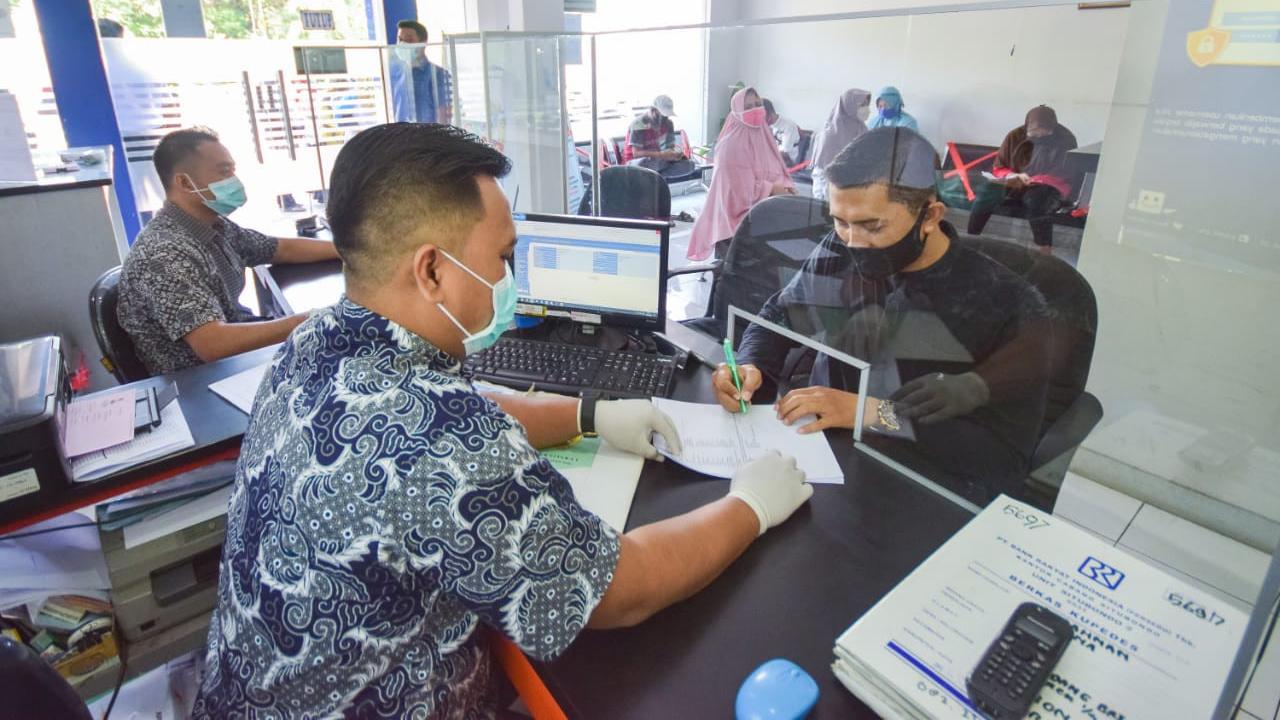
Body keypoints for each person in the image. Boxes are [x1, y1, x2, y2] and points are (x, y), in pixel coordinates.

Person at [191, 123, 814, 719]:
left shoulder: (315, 340)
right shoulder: (441, 431)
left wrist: (587, 414)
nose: (510, 280)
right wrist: (750, 505)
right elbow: (621, 590)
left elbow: (471, 402)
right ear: (432, 270)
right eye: (504, 257)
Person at [710, 127, 1052, 504]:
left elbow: (999, 452)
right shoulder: (839, 249)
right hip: (815, 454)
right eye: (840, 220)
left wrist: (874, 412)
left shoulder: (1005, 304)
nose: (852, 242)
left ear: (930, 216)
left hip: (915, 486)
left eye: (872, 226)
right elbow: (780, 313)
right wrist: (751, 364)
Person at [116, 127, 339, 376]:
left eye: (233, 171)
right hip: (203, 379)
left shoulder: (213, 224)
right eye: (224, 172)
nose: (234, 181)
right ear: (184, 182)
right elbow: (213, 345)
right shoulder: (164, 253)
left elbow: (278, 248)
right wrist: (310, 320)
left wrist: (348, 250)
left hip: (234, 358)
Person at [688, 87, 796, 261]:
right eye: (748, 107)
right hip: (735, 229)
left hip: (763, 219)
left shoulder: (763, 135)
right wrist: (773, 189)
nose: (755, 109)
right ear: (737, 112)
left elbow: (775, 169)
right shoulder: (730, 145)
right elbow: (737, 192)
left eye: (757, 104)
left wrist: (786, 187)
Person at [967, 105, 1078, 252]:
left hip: (1048, 184)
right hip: (1014, 180)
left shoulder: (1065, 139)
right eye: (1034, 133)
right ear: (1027, 127)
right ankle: (971, 240)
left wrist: (1035, 180)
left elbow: (1066, 172)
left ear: (1053, 128)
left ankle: (1044, 248)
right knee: (986, 192)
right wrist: (1013, 176)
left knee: (1037, 201)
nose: (1039, 136)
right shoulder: (1015, 136)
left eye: (1044, 133)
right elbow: (999, 166)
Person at [809, 88, 871, 201]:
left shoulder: (862, 128)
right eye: (862, 105)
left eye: (867, 104)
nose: (866, 109)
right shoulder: (831, 134)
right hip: (830, 187)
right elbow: (823, 172)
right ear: (850, 106)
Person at [389, 20, 453, 125]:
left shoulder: (438, 74)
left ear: (423, 42)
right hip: (401, 137)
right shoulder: (397, 75)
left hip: (428, 137)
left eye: (409, 40)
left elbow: (444, 115)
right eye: (400, 40)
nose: (403, 44)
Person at [625, 95, 695, 180]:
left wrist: (678, 154)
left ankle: (656, 177)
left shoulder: (668, 123)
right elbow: (636, 154)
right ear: (653, 110)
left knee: (690, 165)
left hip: (659, 162)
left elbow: (670, 147)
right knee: (645, 163)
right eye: (663, 115)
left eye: (667, 116)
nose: (665, 118)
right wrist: (661, 155)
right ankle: (657, 176)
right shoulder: (638, 123)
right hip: (638, 162)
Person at [763, 98, 802, 166]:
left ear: (770, 114)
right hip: (774, 158)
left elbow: (784, 153)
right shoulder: (768, 126)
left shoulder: (788, 125)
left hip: (788, 160)